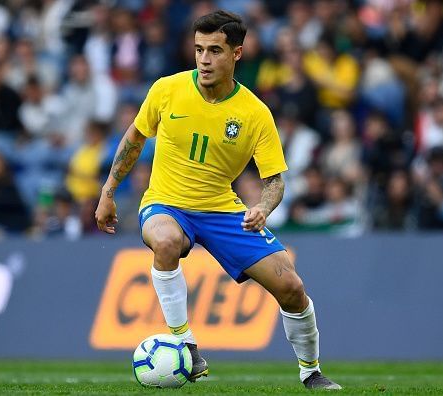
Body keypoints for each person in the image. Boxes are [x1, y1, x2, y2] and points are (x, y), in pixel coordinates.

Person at [95, 10, 341, 390]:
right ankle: (187, 345)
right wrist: (108, 191)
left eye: (215, 51)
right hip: (166, 203)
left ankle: (311, 370)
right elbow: (134, 138)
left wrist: (262, 206)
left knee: (292, 288)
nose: (204, 60)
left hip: (224, 211)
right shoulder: (166, 89)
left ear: (237, 54)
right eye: (198, 50)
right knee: (164, 242)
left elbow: (274, 181)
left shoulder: (255, 113)